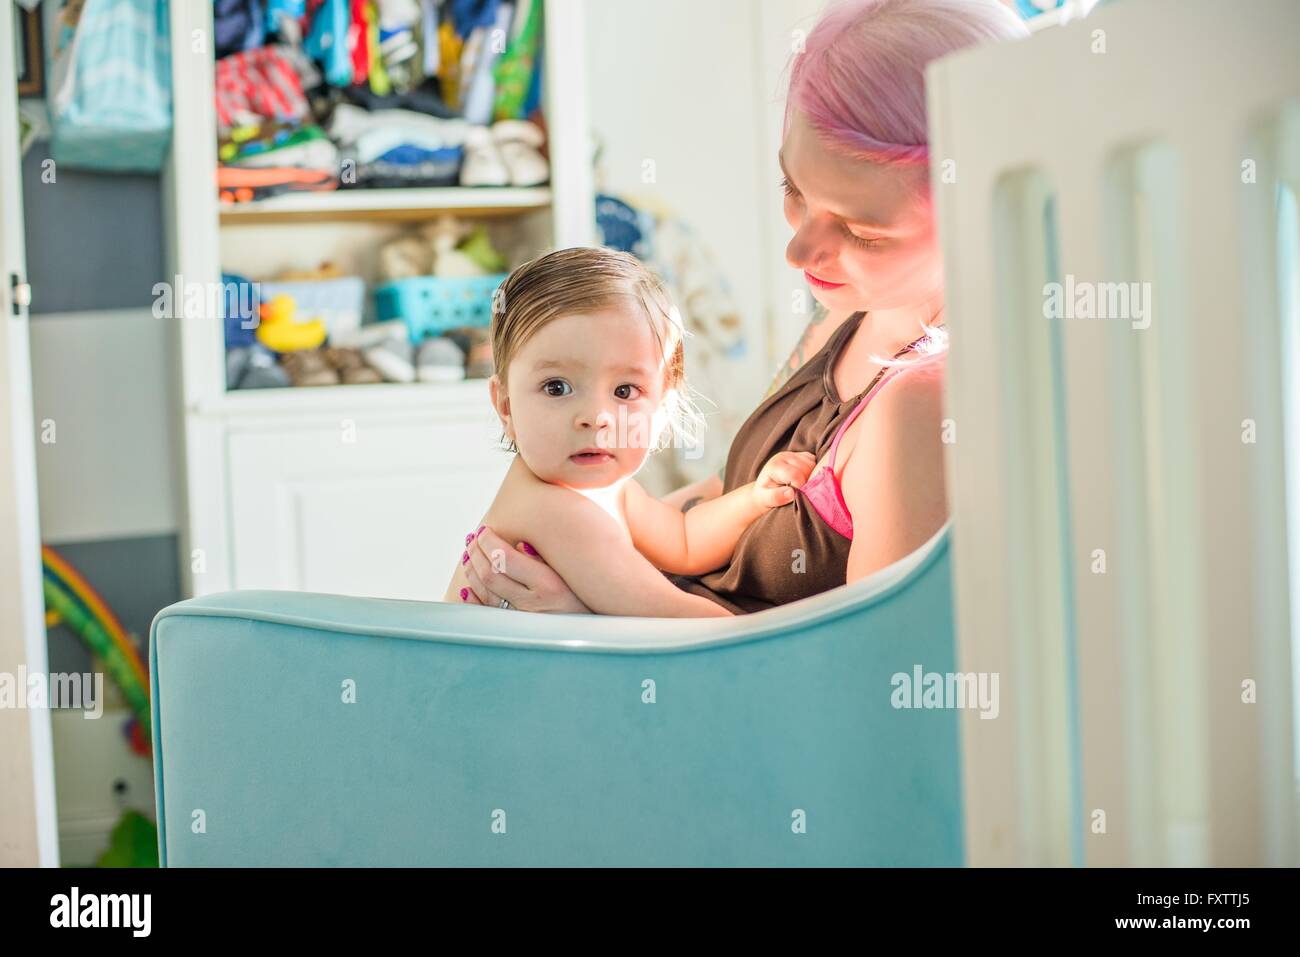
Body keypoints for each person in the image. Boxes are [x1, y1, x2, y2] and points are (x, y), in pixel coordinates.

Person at [460, 0, 1030, 614]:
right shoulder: (847, 309)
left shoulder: (920, 408)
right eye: (794, 191)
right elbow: (696, 525)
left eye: (863, 230)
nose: (797, 251)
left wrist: (596, 624)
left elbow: (871, 677)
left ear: (977, 210)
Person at [444, 246, 817, 616]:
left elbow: (684, 540)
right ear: (505, 405)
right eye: (557, 387)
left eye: (624, 391)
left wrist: (754, 499)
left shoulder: (605, 489)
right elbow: (674, 620)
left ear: (663, 404)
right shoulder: (556, 510)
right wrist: (767, 633)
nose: (595, 417)